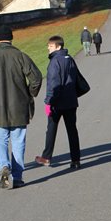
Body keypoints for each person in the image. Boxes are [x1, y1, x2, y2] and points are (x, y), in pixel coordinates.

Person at [0, 25, 42, 189]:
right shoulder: (20, 55)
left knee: (0, 139)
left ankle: (4, 166)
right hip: (19, 104)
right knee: (18, 140)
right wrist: (29, 93)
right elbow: (36, 77)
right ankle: (18, 176)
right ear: (11, 39)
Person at [35, 36, 82, 170]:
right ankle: (76, 160)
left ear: (58, 47)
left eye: (50, 46)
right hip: (71, 100)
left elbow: (53, 84)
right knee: (72, 130)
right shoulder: (70, 59)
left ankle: (46, 157)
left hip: (57, 102)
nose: (48, 48)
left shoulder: (55, 61)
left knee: (51, 129)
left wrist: (48, 102)